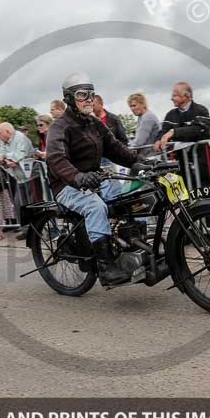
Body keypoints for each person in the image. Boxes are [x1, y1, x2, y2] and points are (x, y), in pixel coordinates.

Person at [46, 72, 141, 286]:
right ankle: (106, 268)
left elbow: (115, 147)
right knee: (96, 207)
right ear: (69, 98)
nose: (89, 99)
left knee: (130, 198)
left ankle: (131, 246)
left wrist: (138, 162)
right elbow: (56, 159)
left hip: (94, 178)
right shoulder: (59, 127)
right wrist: (78, 177)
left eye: (91, 94)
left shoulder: (94, 123)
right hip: (66, 183)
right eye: (82, 94)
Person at [154, 82, 210, 191]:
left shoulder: (201, 110)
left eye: (175, 95)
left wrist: (174, 132)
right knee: (187, 198)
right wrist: (158, 139)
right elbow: (164, 130)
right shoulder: (170, 114)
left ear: (186, 96)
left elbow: (197, 130)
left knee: (205, 196)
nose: (171, 98)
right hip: (181, 165)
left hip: (201, 164)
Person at [0, 122, 35, 240]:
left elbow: (19, 155)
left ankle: (41, 229)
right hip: (19, 178)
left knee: (34, 205)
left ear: (8, 132)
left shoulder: (20, 138)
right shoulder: (4, 141)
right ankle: (26, 230)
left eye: (0, 133)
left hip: (32, 176)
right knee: (19, 205)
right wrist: (4, 159)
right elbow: (0, 156)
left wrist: (7, 158)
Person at [128, 92, 161, 156]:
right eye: (130, 106)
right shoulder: (142, 117)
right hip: (147, 154)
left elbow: (139, 142)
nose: (132, 109)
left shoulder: (147, 117)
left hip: (151, 155)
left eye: (134, 105)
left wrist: (125, 145)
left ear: (143, 104)